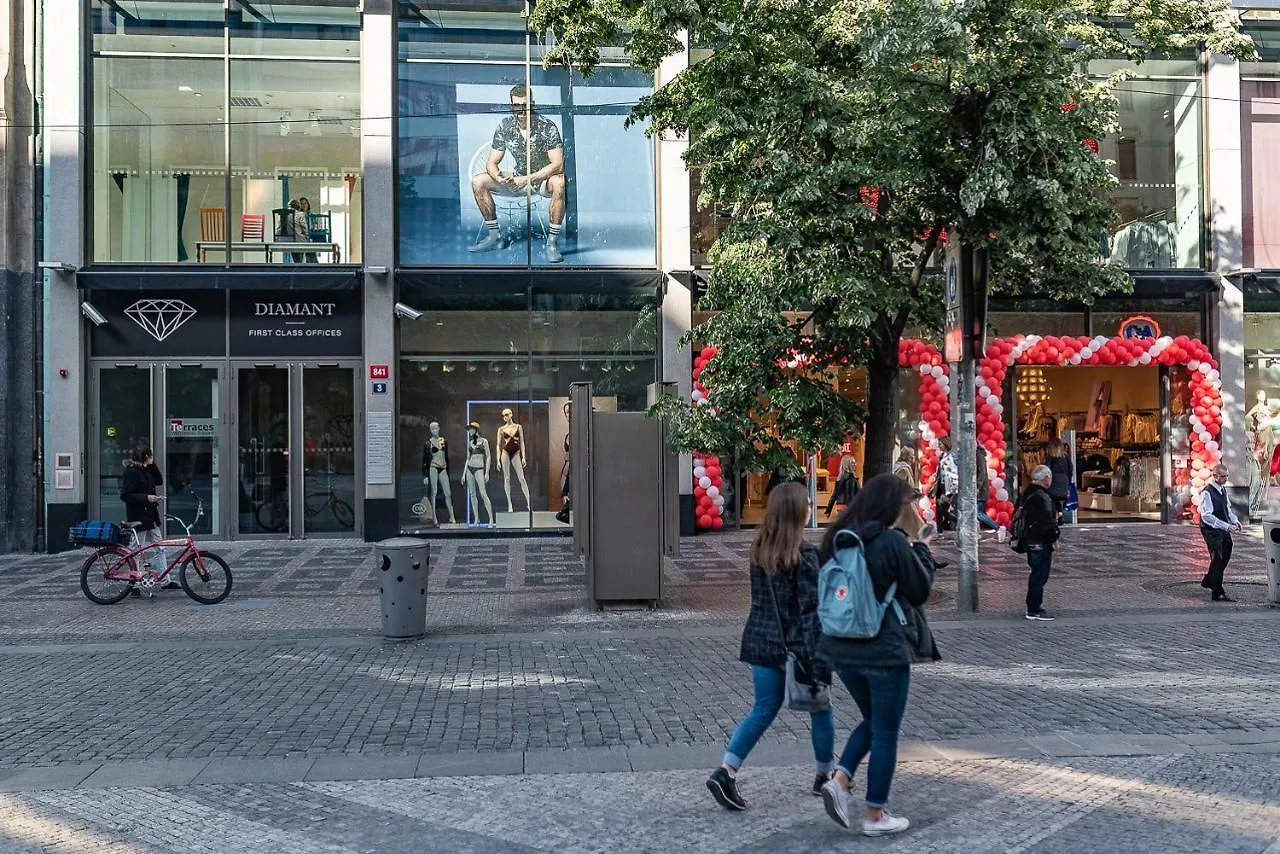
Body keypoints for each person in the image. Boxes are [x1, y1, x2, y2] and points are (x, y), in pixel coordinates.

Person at [816, 474, 938, 838]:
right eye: (906, 505)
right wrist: (921, 546)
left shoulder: (836, 539)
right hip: (883, 651)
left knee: (872, 721)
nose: (910, 510)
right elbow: (919, 591)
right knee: (885, 731)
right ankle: (875, 813)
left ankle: (839, 780)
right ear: (891, 507)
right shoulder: (891, 543)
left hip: (841, 648)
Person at [706, 482, 835, 811]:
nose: (810, 508)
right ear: (797, 512)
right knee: (821, 708)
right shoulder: (805, 556)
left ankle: (726, 770)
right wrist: (819, 656)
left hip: (761, 643)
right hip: (796, 648)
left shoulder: (759, 550)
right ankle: (824, 775)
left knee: (762, 710)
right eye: (807, 504)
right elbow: (810, 612)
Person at [470, 84, 568, 263]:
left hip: (542, 179)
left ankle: (552, 243)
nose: (521, 110)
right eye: (517, 106)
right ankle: (495, 237)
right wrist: (500, 178)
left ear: (533, 104)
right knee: (478, 181)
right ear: (511, 106)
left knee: (560, 182)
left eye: (525, 105)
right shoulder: (505, 125)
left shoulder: (547, 126)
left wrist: (528, 179)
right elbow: (491, 163)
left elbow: (558, 164)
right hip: (517, 177)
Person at [120, 445, 180, 593]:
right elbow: (125, 495)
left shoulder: (146, 470)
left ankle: (165, 580)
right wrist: (146, 497)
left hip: (151, 516)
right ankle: (133, 584)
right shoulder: (132, 473)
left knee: (159, 547)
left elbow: (159, 480)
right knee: (135, 550)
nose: (153, 458)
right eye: (151, 456)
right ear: (146, 456)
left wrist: (152, 465)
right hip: (138, 518)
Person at [1018, 465, 1060, 621]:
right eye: (1049, 476)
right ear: (1045, 478)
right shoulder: (1042, 496)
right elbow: (1046, 522)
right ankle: (1034, 609)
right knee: (1039, 575)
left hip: (1030, 539)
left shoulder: (1027, 492)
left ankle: (1033, 606)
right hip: (1039, 541)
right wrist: (1054, 539)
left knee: (1036, 573)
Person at [1196, 464, 1242, 602]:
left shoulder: (1223, 490)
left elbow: (1227, 509)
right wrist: (1226, 526)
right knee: (1218, 556)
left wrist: (1235, 521)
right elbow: (1206, 516)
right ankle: (1217, 591)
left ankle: (1210, 579)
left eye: (1227, 476)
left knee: (1226, 551)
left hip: (1222, 527)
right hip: (1210, 529)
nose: (1225, 479)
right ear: (1214, 476)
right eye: (1223, 476)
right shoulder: (1207, 492)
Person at [1045, 438, 1073, 518]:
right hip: (1064, 482)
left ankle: (1057, 515)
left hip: (1053, 481)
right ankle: (1060, 513)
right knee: (1057, 499)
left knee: (1051, 498)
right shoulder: (1066, 457)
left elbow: (1047, 470)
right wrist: (1068, 482)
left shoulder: (1050, 458)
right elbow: (1070, 470)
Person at [935, 438, 958, 530]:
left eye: (941, 444)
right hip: (940, 484)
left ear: (946, 444)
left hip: (947, 485)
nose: (939, 446)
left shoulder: (951, 457)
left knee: (942, 509)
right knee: (939, 509)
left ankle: (957, 520)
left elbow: (953, 471)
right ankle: (940, 531)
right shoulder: (941, 456)